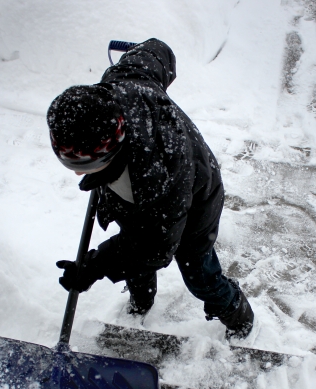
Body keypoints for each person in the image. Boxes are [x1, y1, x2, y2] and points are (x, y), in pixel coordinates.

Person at [47, 38, 254, 339]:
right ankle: (141, 302)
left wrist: (94, 266)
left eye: (86, 165)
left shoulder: (155, 180)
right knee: (135, 259)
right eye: (68, 161)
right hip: (145, 200)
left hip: (196, 199)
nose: (78, 172)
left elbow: (154, 250)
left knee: (200, 274)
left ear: (111, 153)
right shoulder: (117, 88)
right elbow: (155, 52)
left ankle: (240, 317)